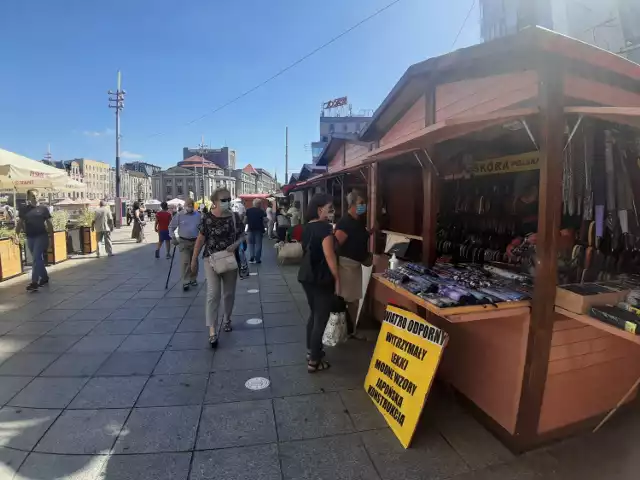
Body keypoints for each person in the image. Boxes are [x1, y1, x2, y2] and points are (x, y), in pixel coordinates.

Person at [192, 188, 245, 348]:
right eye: (223, 200)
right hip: (211, 259)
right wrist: (194, 260)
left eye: (228, 199)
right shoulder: (207, 218)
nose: (227, 202)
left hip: (229, 259)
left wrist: (236, 244)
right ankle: (212, 331)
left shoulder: (234, 217)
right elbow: (200, 240)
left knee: (229, 294)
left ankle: (227, 319)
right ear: (214, 202)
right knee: (213, 294)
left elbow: (243, 234)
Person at [297, 193, 339, 373]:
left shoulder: (307, 227)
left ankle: (310, 351)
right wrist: (338, 279)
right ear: (320, 209)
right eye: (330, 209)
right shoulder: (325, 229)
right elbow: (330, 257)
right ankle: (314, 360)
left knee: (314, 314)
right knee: (321, 318)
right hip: (322, 278)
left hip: (307, 275)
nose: (332, 213)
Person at [334, 189, 374, 335]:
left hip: (355, 266)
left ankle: (351, 331)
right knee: (348, 300)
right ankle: (345, 330)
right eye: (361, 203)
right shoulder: (345, 222)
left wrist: (370, 233)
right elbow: (336, 244)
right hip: (346, 267)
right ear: (352, 204)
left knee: (354, 300)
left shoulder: (357, 221)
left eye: (364, 203)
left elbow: (357, 237)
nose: (364, 206)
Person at [16, 190, 53, 291]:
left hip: (42, 236)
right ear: (28, 198)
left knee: (36, 258)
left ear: (39, 196)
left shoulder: (43, 209)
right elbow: (20, 223)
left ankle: (34, 282)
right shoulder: (24, 210)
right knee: (38, 259)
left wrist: (51, 237)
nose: (35, 198)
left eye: (36, 195)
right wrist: (16, 234)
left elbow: (49, 223)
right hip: (30, 237)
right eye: (32, 196)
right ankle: (44, 278)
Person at [169, 198, 201, 291]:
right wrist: (173, 237)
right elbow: (171, 227)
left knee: (194, 261)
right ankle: (185, 281)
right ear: (185, 206)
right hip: (184, 241)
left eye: (191, 206)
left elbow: (202, 228)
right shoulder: (179, 215)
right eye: (188, 206)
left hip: (195, 241)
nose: (190, 208)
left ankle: (193, 278)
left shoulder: (198, 215)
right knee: (185, 261)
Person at [245, 198, 267, 263]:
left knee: (251, 244)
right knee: (258, 244)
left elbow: (245, 220)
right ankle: (257, 259)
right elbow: (265, 219)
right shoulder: (261, 211)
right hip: (259, 230)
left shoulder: (248, 210)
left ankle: (251, 256)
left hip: (250, 229)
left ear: (253, 204)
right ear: (259, 204)